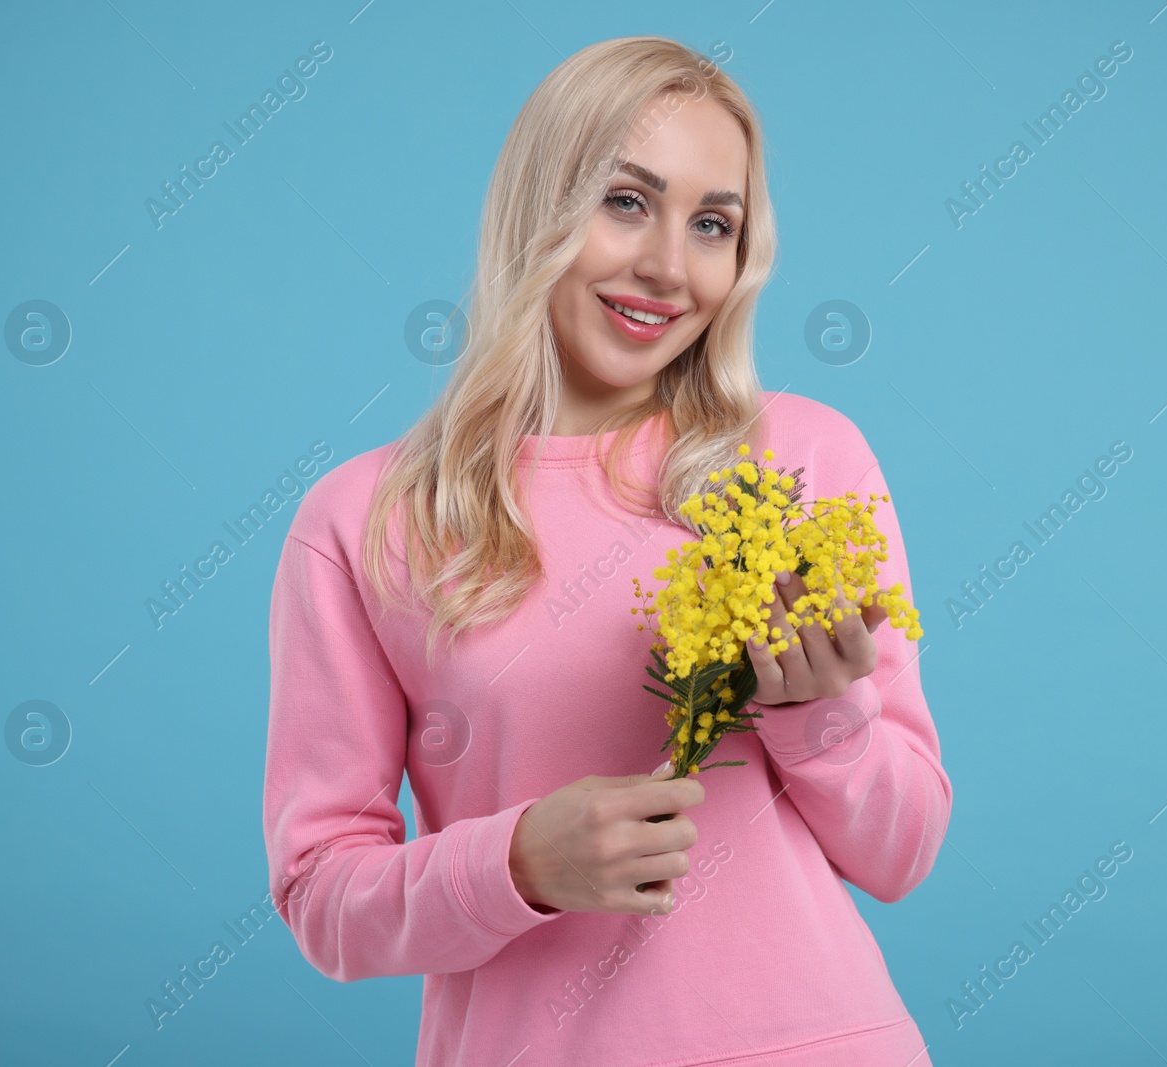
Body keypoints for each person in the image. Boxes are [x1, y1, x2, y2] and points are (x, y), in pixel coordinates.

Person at [262, 35, 951, 1066]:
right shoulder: (365, 518)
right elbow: (322, 895)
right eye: (625, 201)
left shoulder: (805, 458)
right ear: (537, 206)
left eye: (712, 223)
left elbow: (899, 853)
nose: (668, 267)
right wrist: (516, 862)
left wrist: (823, 718)